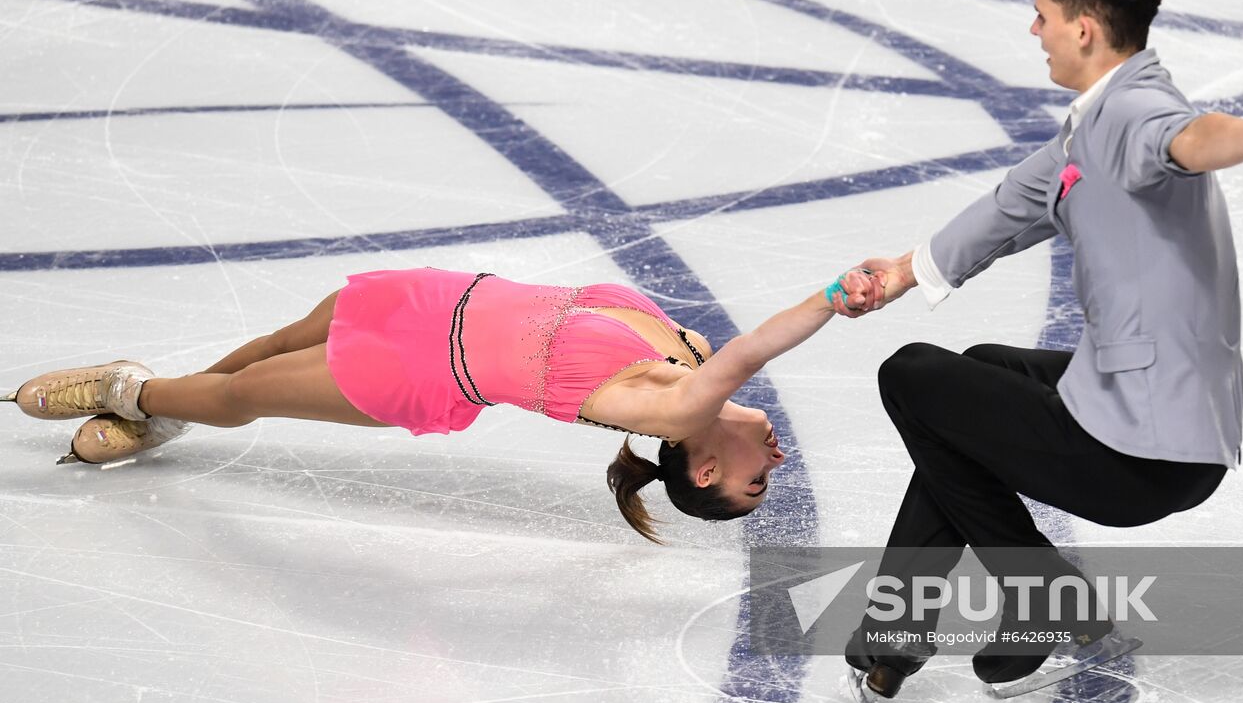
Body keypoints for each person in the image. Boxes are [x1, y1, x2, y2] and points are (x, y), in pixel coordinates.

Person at [832, 0, 1243, 703]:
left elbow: (1187, 140)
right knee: (982, 371)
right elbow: (1013, 202)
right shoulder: (1093, 121)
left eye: (1042, 15)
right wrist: (900, 272)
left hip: (1145, 449)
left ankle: (1040, 600)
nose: (1035, 31)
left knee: (914, 377)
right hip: (1160, 413)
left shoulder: (1135, 113)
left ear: (1084, 27)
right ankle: (901, 639)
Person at [4, 266, 879, 542]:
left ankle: (130, 389)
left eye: (758, 484)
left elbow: (757, 346)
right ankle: (158, 416)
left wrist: (835, 296)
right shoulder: (684, 354)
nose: (781, 463)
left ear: (708, 465)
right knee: (272, 344)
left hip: (424, 370)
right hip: (442, 296)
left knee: (248, 394)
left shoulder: (681, 408)